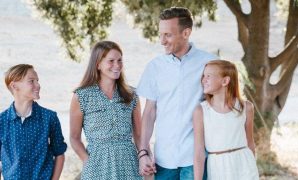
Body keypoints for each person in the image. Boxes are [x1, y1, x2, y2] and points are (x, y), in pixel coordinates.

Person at [137, 7, 218, 179]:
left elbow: (221, 106)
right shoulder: (155, 67)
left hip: (196, 158)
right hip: (163, 159)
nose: (162, 41)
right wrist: (143, 152)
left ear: (186, 33)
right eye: (161, 34)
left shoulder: (209, 63)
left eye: (168, 35)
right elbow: (149, 112)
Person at [69, 41, 142, 179]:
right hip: (96, 164)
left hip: (128, 163)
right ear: (98, 64)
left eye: (120, 60)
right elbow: (74, 137)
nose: (117, 65)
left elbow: (139, 135)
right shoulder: (82, 96)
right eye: (111, 61)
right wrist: (86, 160)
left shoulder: (131, 95)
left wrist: (144, 157)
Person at [193, 60, 259, 180]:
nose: (203, 80)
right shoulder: (201, 111)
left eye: (209, 76)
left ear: (225, 81)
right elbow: (199, 151)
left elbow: (250, 142)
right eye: (203, 76)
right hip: (218, 167)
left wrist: (252, 168)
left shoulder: (246, 107)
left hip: (244, 166)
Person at [0, 64, 67, 180]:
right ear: (14, 86)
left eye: (37, 80)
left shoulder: (49, 117)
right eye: (31, 81)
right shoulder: (2, 121)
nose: (38, 85)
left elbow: (59, 153)